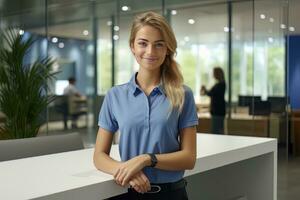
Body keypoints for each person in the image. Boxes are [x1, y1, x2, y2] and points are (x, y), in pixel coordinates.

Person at [93, 11, 198, 200]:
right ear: (132, 46)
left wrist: (146, 159)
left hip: (172, 195)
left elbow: (189, 158)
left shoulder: (183, 95)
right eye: (143, 43)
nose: (150, 51)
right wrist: (126, 170)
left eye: (159, 44)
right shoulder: (115, 95)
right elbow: (99, 155)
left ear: (167, 49)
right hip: (127, 193)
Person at [200, 67, 226, 134]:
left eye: (214, 73)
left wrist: (205, 90)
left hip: (218, 111)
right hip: (217, 110)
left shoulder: (221, 84)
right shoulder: (220, 84)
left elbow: (212, 94)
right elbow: (211, 93)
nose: (213, 75)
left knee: (217, 130)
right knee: (217, 129)